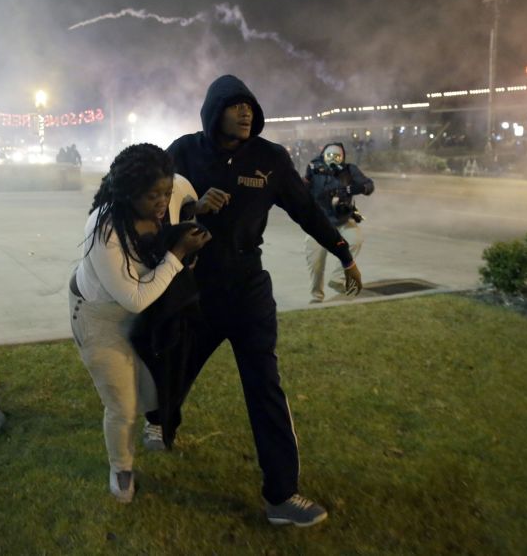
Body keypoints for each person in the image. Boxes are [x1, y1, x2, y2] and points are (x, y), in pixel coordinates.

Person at [157, 74, 363, 527]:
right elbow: (155, 211)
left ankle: (281, 494)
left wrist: (343, 253)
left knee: (265, 384)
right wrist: (193, 210)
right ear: (215, 111)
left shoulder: (270, 159)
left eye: (250, 106)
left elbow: (307, 210)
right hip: (196, 285)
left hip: (248, 285)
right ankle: (160, 417)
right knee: (178, 363)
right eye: (235, 106)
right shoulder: (184, 152)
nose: (246, 112)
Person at [68, 143, 211, 504]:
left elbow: (186, 198)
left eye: (165, 191)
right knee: (122, 403)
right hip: (99, 317)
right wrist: (177, 256)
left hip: (145, 314)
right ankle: (121, 468)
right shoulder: (104, 228)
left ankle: (155, 423)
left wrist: (198, 209)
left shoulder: (173, 190)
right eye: (152, 196)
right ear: (130, 193)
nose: (163, 201)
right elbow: (133, 296)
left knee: (156, 388)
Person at [304, 142, 375, 303]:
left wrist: (351, 189)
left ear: (342, 158)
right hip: (319, 224)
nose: (334, 160)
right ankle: (316, 297)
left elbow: (369, 185)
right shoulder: (314, 169)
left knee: (355, 240)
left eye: (337, 157)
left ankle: (337, 279)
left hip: (343, 220)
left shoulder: (350, 170)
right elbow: (302, 189)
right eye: (330, 156)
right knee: (315, 264)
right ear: (323, 156)